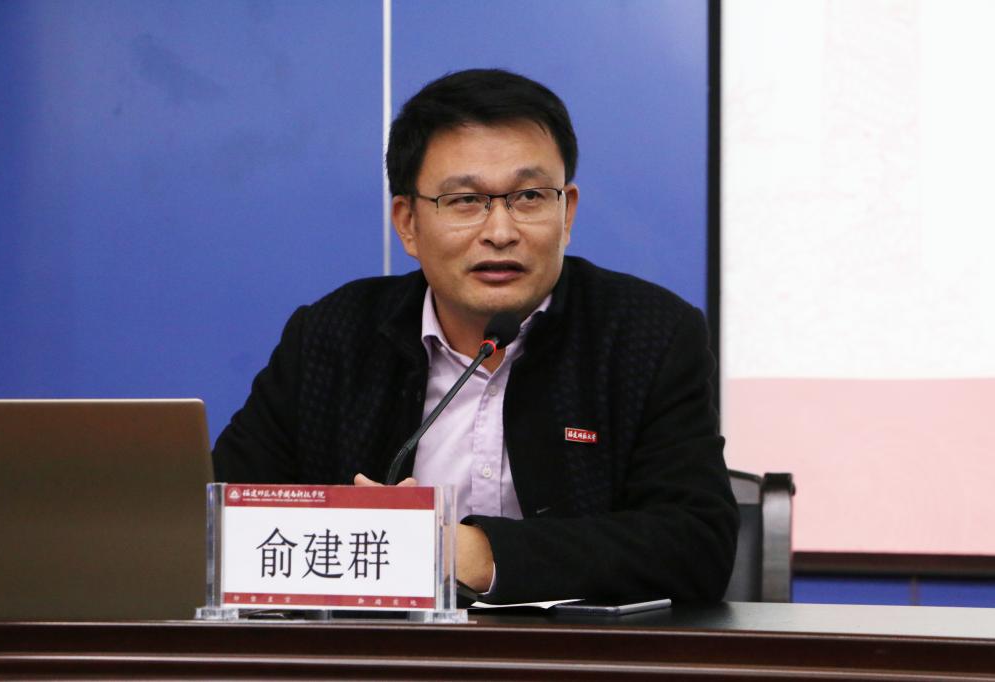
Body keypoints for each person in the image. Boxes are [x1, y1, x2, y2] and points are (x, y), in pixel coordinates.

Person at [212, 68, 738, 605]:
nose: (501, 231)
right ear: (408, 222)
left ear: (567, 213)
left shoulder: (646, 336)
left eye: (529, 196)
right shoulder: (334, 337)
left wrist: (474, 553)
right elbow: (218, 518)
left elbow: (697, 546)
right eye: (465, 201)